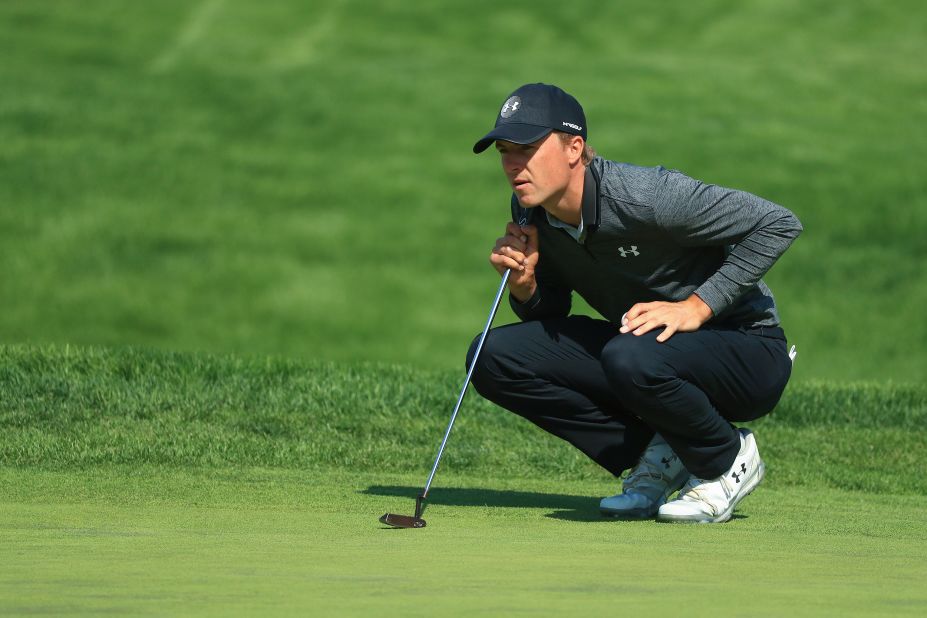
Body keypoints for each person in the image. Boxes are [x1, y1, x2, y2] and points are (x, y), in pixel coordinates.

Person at [467, 83, 801, 523]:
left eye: (527, 148)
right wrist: (527, 285)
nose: (514, 165)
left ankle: (724, 458)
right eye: (505, 151)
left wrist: (695, 307)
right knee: (492, 357)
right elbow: (550, 316)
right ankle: (661, 454)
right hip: (647, 353)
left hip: (748, 352)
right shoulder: (533, 209)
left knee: (628, 354)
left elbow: (778, 223)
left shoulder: (647, 197)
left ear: (574, 148)